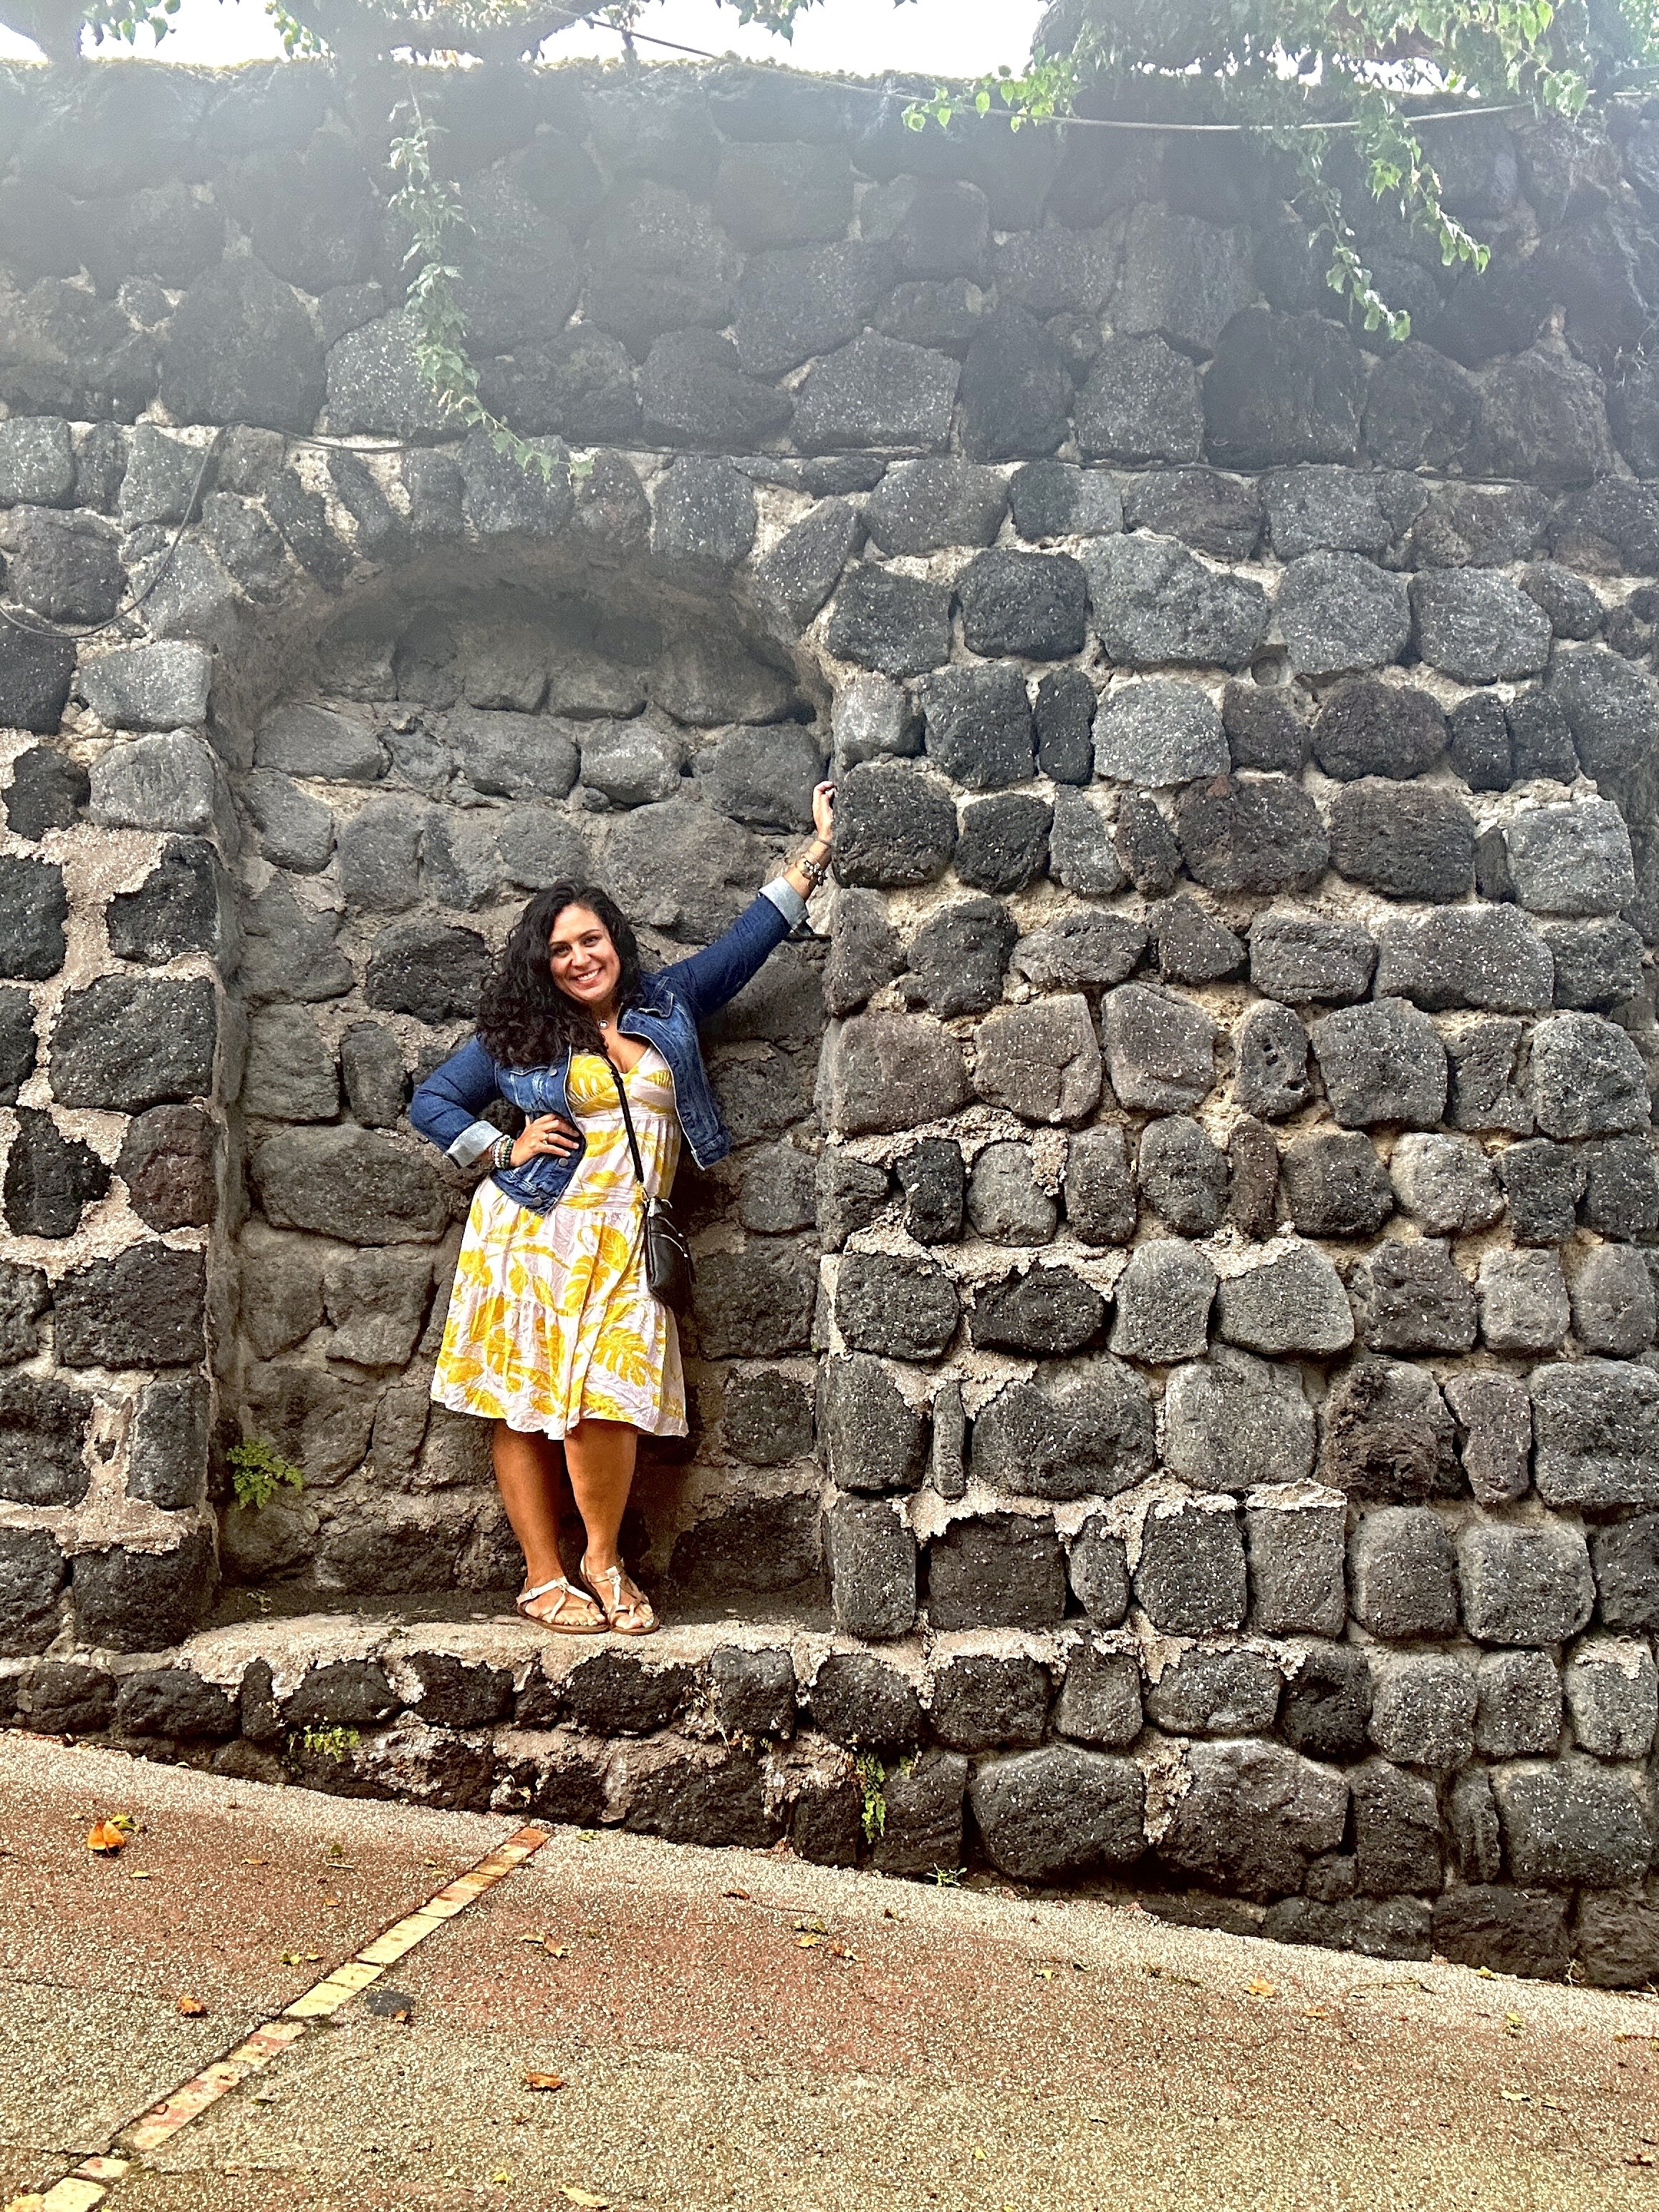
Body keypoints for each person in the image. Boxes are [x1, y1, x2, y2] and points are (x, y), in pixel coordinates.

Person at [409, 782, 836, 1638]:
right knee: (525, 1399)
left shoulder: (666, 1002)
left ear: (615, 943)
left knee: (613, 1395)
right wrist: (502, 1148)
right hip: (532, 1234)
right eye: (560, 949)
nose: (577, 958)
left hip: (627, 1233)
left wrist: (816, 852)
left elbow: (746, 943)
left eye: (590, 940)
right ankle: (541, 1575)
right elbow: (432, 1103)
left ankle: (601, 1557)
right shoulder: (516, 1034)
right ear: (543, 964)